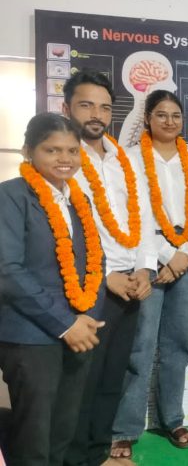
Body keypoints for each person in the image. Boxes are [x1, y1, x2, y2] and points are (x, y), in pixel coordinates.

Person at [62, 69, 157, 466]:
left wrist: (145, 269)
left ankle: (99, 452)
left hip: (131, 284)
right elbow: (64, 231)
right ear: (67, 108)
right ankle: (75, 459)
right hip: (87, 287)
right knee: (81, 380)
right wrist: (104, 277)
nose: (96, 115)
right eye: (86, 105)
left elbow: (143, 216)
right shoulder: (63, 158)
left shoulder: (123, 159)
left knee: (113, 375)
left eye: (103, 107)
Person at [0, 113, 106, 466]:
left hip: (80, 331)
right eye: (52, 150)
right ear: (28, 151)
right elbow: (7, 270)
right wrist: (65, 324)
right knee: (34, 437)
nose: (65, 159)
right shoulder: (10, 196)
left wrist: (87, 317)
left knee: (64, 429)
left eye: (72, 151)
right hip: (30, 336)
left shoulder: (78, 200)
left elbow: (96, 261)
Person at [110, 90, 188, 457]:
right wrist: (166, 257)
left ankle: (173, 418)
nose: (169, 121)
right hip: (144, 257)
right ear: (148, 118)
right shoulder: (130, 159)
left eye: (175, 115)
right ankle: (125, 429)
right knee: (140, 345)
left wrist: (183, 256)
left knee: (179, 343)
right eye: (161, 114)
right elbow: (132, 214)